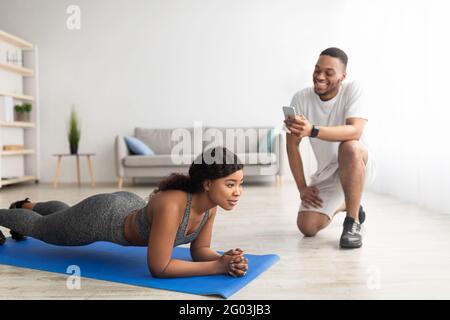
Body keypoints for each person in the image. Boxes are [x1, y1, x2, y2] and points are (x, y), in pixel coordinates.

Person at [0, 147, 249, 278]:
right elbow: (159, 268)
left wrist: (223, 258)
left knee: (64, 217)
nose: (238, 192)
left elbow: (199, 251)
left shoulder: (209, 207)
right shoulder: (173, 204)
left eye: (240, 184)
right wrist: (217, 267)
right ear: (207, 184)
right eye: (230, 184)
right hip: (102, 218)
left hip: (127, 205)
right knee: (43, 230)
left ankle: (28, 206)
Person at [285, 47, 375, 249]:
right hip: (328, 172)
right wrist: (302, 188)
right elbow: (292, 145)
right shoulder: (300, 98)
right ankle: (348, 203)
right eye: (317, 70)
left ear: (343, 76)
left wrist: (313, 130)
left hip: (357, 163)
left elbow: (355, 131)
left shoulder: (354, 89)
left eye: (328, 72)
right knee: (306, 227)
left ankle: (352, 222)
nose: (319, 76)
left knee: (349, 147)